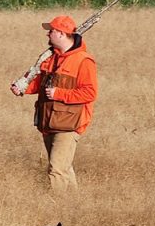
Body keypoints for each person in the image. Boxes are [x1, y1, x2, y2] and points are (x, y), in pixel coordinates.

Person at [10, 15, 97, 192]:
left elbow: (90, 93)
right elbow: (39, 83)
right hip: (48, 120)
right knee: (63, 167)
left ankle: (55, 204)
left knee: (56, 169)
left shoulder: (83, 61)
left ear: (62, 33)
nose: (48, 34)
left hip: (70, 123)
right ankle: (74, 203)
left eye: (51, 31)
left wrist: (59, 93)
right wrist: (22, 88)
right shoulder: (49, 58)